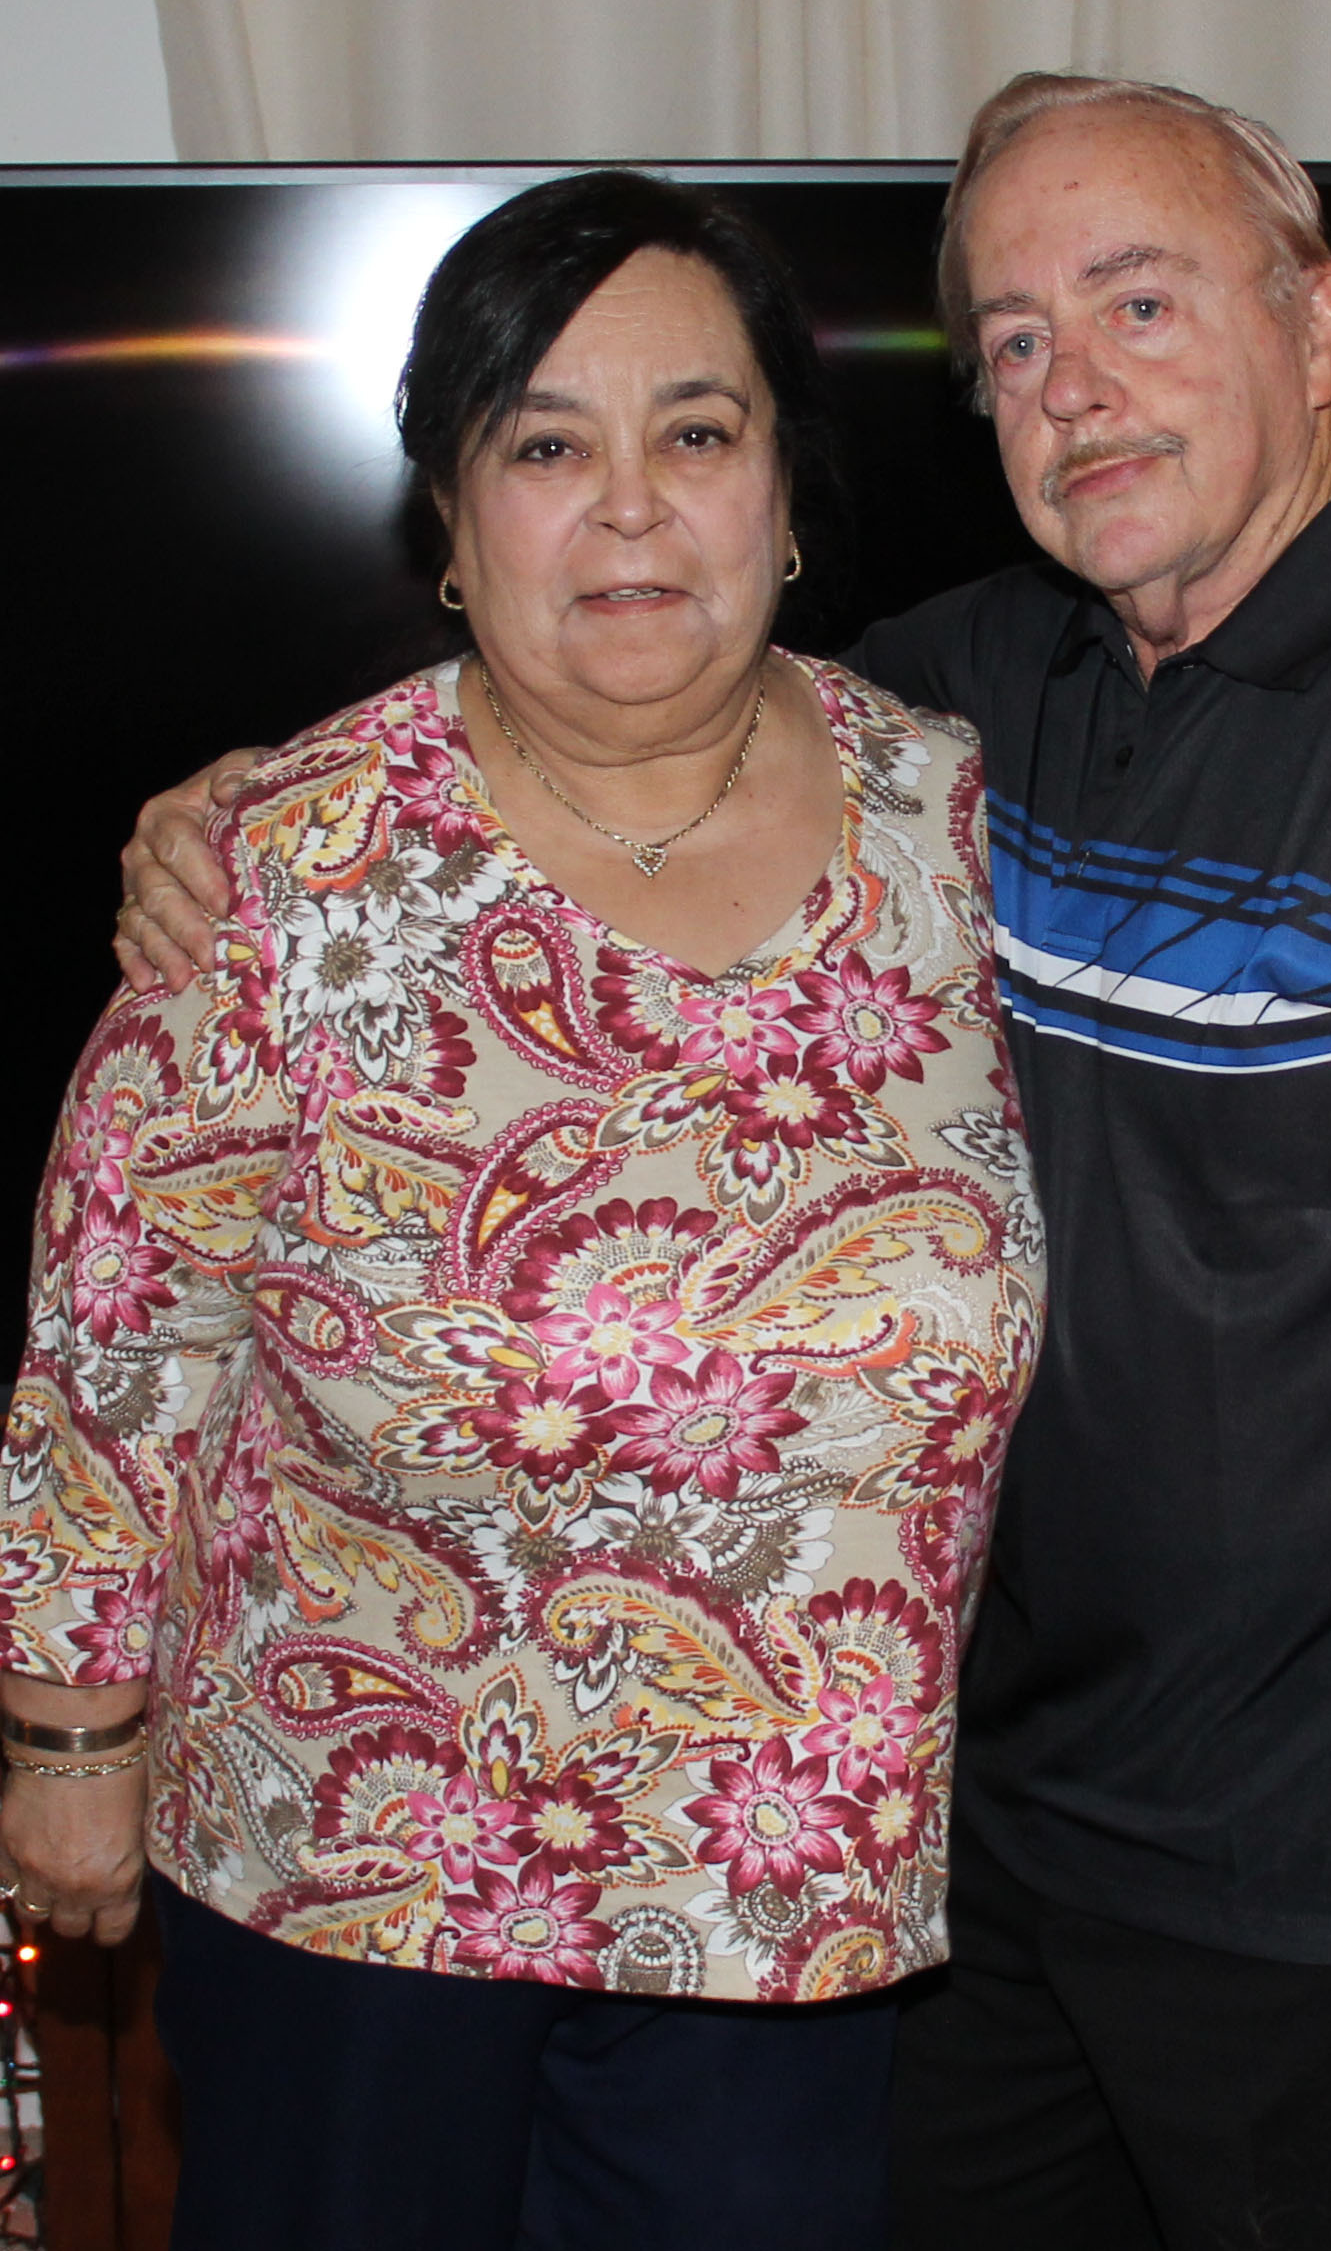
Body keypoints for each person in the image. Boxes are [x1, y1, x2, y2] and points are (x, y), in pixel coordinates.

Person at [117, 77, 1331, 2251]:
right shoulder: (967, 706)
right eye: (1011, 336)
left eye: (1137, 301)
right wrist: (247, 815)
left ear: (1316, 324)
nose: (1069, 383)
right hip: (995, 1876)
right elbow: (630, 711)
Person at [0, 168, 1043, 2251]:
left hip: (789, 1884)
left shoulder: (952, 817)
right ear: (454, 525)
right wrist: (67, 1739)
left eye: (696, 431)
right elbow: (121, 1329)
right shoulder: (287, 868)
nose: (631, 506)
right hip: (355, 1871)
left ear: (784, 493)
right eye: (546, 447)